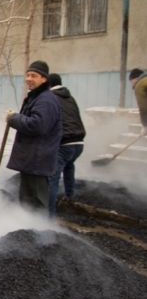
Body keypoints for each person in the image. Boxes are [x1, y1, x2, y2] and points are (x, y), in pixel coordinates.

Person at [5, 61, 61, 214]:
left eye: (34, 76)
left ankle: (39, 234)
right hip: (32, 159)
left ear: (44, 79)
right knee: (28, 200)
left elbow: (38, 125)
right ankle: (28, 232)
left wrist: (13, 119)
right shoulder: (37, 97)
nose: (29, 78)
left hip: (37, 160)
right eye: (28, 75)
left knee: (35, 202)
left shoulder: (45, 100)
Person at [47, 73, 86, 219]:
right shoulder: (70, 98)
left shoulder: (51, 98)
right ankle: (70, 196)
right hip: (79, 142)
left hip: (65, 143)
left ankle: (48, 216)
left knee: (52, 177)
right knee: (69, 166)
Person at [129, 68, 147, 138]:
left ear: (135, 78)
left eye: (131, 81)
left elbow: (143, 107)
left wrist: (145, 125)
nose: (132, 83)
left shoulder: (140, 85)